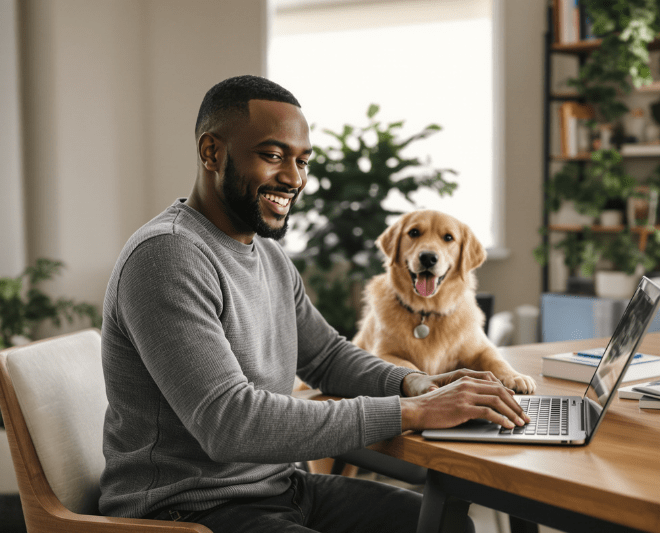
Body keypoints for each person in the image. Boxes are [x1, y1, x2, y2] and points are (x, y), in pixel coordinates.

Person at [99, 75, 529, 533]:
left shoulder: (266, 253)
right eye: (272, 155)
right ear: (212, 153)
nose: (293, 178)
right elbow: (229, 423)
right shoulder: (167, 256)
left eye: (302, 160)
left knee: (446, 526)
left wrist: (418, 385)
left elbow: (325, 357)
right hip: (190, 510)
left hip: (279, 486)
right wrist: (413, 413)